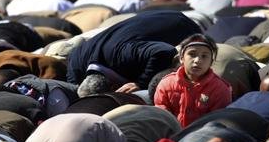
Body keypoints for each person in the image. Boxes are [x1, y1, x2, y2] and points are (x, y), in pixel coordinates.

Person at [67, 10, 201, 93]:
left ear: (114, 87)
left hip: (181, 25)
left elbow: (164, 51)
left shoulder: (123, 55)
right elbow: (72, 82)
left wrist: (141, 83)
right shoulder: (76, 62)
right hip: (149, 17)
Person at [153, 34, 233, 127]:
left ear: (211, 61)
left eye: (204, 56)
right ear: (181, 58)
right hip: (171, 133)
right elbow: (162, 117)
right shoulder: (166, 83)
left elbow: (216, 123)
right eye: (192, 54)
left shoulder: (220, 89)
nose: (197, 60)